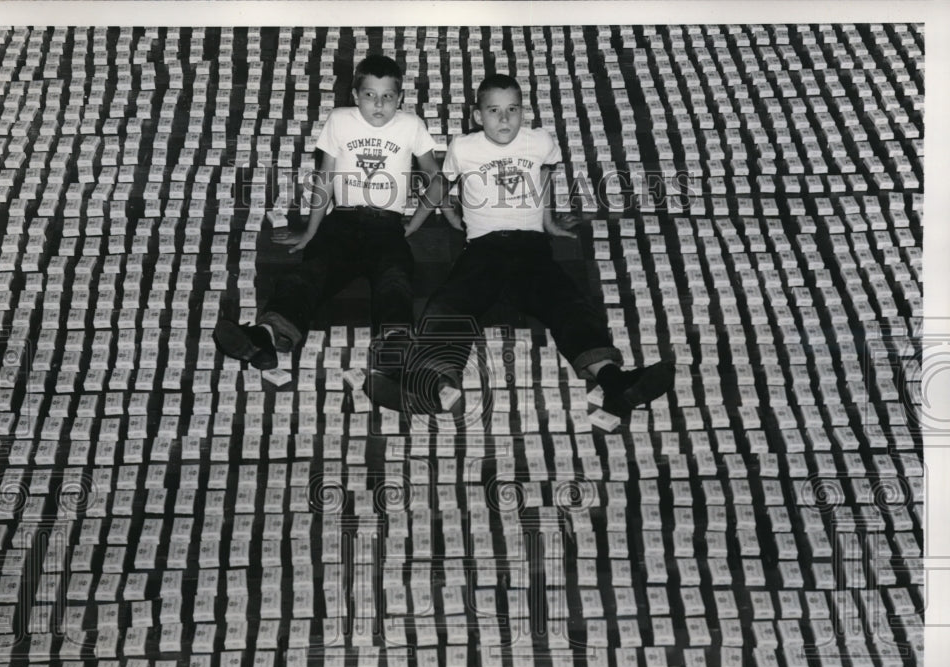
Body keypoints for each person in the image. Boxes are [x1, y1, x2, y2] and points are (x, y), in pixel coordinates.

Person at [374, 73, 673, 417]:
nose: (504, 119)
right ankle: (432, 384)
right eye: (494, 111)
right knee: (449, 305)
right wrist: (412, 224)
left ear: (523, 112)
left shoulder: (539, 141)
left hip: (531, 248)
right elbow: (442, 184)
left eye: (512, 109)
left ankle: (614, 380)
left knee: (569, 303)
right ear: (477, 116)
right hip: (483, 249)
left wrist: (547, 221)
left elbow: (544, 176)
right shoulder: (464, 147)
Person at [213, 55, 442, 374]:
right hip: (342, 221)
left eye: (388, 96)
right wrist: (310, 231)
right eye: (370, 95)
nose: (379, 104)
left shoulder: (411, 125)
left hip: (387, 225)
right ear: (355, 95)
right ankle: (266, 336)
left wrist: (412, 226)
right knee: (308, 273)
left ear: (400, 98)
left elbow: (436, 178)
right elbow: (325, 178)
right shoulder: (340, 119)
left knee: (395, 278)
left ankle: (396, 346)